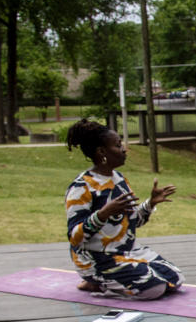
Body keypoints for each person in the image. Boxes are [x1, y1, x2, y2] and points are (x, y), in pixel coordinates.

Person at [65, 119, 184, 299]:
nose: (123, 149)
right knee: (155, 289)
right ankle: (98, 283)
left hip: (126, 252)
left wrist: (150, 203)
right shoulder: (81, 187)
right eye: (118, 145)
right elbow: (75, 237)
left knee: (175, 278)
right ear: (102, 152)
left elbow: (132, 223)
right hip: (97, 258)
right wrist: (104, 213)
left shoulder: (119, 179)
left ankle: (107, 281)